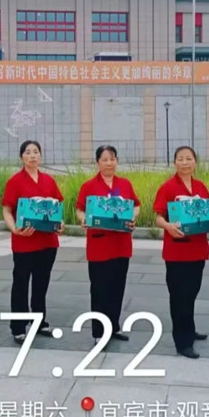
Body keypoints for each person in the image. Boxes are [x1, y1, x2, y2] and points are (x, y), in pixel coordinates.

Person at [76, 145, 141, 345]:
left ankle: (113, 326)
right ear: (97, 163)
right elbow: (80, 209)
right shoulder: (89, 186)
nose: (109, 163)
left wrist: (133, 217)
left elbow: (136, 205)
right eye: (104, 159)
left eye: (112, 159)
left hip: (121, 244)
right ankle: (99, 332)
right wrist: (83, 219)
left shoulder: (125, 184)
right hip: (99, 245)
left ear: (117, 161)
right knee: (99, 289)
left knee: (117, 287)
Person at [2, 140, 65, 343]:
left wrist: (61, 223)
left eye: (36, 152)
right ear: (22, 157)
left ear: (40, 156)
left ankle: (39, 322)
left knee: (41, 283)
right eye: (28, 152)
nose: (32, 156)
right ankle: (18, 326)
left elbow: (57, 207)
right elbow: (7, 210)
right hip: (24, 242)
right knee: (21, 283)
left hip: (47, 242)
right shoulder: (15, 181)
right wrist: (14, 228)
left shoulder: (48, 180)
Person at [153, 146, 209, 360]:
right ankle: (183, 342)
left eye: (189, 159)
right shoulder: (168, 187)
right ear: (174, 163)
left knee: (192, 292)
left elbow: (208, 212)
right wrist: (168, 226)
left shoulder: (201, 187)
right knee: (179, 296)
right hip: (177, 251)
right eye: (180, 159)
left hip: (197, 249)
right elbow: (158, 216)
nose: (185, 162)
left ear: (195, 162)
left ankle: (190, 329)